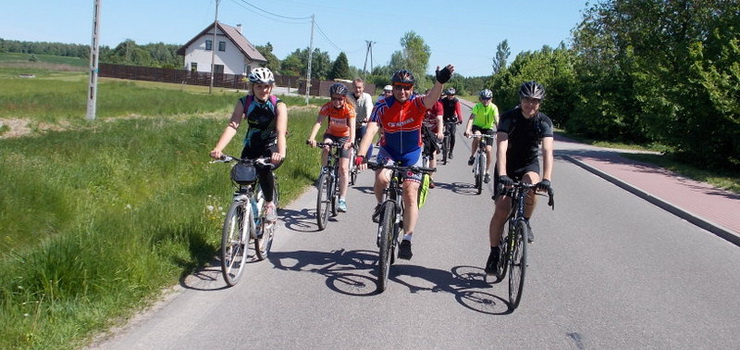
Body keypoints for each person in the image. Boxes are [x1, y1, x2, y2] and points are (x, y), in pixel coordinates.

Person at [356, 65, 455, 260]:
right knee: (382, 179)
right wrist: (361, 154)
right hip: (389, 151)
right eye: (398, 87)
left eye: (407, 87)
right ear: (392, 88)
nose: (402, 91)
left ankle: (407, 239)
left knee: (410, 192)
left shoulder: (417, 103)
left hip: (412, 153)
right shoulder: (382, 105)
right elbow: (371, 130)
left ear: (412, 88)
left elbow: (432, 99)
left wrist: (440, 82)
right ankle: (380, 205)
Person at [485, 81, 554, 275]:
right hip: (507, 165)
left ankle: (526, 220)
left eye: (534, 101)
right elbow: (502, 147)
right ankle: (494, 252)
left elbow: (548, 150)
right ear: (520, 100)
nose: (530, 104)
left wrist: (547, 179)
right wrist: (503, 175)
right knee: (502, 208)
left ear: (539, 103)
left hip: (528, 164)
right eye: (526, 100)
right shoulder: (508, 118)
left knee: (532, 184)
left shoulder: (544, 122)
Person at [210, 67, 287, 223]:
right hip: (252, 145)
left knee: (263, 168)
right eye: (259, 86)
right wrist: (218, 149)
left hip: (272, 146)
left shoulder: (278, 105)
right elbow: (233, 126)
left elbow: (280, 131)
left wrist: (280, 152)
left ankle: (269, 204)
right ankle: (245, 216)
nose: (263, 90)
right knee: (243, 179)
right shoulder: (244, 103)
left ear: (271, 87)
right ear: (252, 86)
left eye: (267, 86)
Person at [307, 83, 356, 212]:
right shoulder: (327, 107)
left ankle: (342, 199)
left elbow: (352, 127)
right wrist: (312, 138)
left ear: (345, 98)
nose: (337, 101)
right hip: (331, 134)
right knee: (326, 147)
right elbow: (319, 122)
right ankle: (324, 170)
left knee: (344, 168)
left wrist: (350, 141)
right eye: (334, 98)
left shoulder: (349, 109)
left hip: (345, 137)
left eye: (340, 98)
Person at [464, 89, 499, 184]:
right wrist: (468, 130)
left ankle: (487, 171)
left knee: (488, 150)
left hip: (488, 129)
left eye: (488, 99)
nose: (485, 101)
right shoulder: (477, 106)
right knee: (478, 136)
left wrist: (500, 132)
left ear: (491, 99)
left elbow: (496, 120)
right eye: (483, 99)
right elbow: (471, 118)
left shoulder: (493, 107)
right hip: (477, 126)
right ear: (480, 99)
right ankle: (472, 156)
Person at [346, 78, 374, 159]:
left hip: (362, 124)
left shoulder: (366, 97)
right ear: (352, 88)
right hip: (350, 125)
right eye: (355, 87)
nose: (357, 90)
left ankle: (365, 160)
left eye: (359, 87)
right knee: (345, 142)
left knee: (367, 143)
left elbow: (368, 107)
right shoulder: (348, 96)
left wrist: (368, 117)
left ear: (363, 88)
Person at [422, 89, 444, 188]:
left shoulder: (438, 105)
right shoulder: (421, 104)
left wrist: (440, 132)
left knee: (432, 152)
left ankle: (431, 177)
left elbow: (439, 119)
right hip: (421, 129)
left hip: (433, 131)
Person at [439, 87, 463, 159]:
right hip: (443, 117)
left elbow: (458, 111)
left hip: (452, 118)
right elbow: (439, 109)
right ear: (447, 95)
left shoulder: (456, 101)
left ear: (454, 95)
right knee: (441, 130)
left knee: (452, 135)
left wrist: (460, 119)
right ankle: (442, 141)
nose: (450, 96)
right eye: (449, 95)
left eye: (452, 95)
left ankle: (451, 152)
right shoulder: (443, 101)